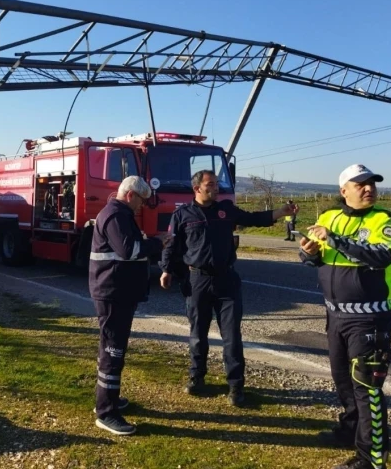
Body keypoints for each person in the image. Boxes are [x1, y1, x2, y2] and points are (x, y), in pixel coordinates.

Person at [159, 170, 298, 406]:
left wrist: (280, 212)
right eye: (210, 184)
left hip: (226, 281)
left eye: (216, 184)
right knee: (198, 334)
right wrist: (166, 269)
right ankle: (197, 377)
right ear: (197, 189)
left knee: (232, 336)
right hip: (197, 281)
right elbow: (172, 245)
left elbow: (254, 218)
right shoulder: (183, 215)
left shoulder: (225, 210)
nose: (216, 188)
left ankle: (236, 386)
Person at [299, 164, 391, 469]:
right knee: (343, 381)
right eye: (360, 184)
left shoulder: (386, 220)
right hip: (335, 316)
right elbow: (313, 256)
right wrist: (309, 252)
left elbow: (381, 256)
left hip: (370, 319)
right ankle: (349, 431)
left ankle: (371, 459)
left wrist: (333, 239)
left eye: (372, 183)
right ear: (343, 191)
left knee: (366, 388)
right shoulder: (328, 217)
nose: (368, 188)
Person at [89, 176, 166, 435]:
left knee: (110, 349)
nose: (143, 206)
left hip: (117, 292)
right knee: (113, 351)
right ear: (131, 195)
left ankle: (107, 397)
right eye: (142, 201)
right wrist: (157, 243)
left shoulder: (118, 214)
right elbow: (129, 250)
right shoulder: (115, 215)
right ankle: (106, 412)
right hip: (113, 294)